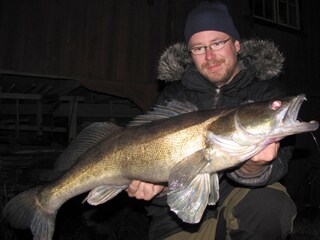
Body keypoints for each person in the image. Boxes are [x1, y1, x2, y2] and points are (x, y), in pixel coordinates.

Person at [127, 1, 297, 239]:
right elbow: (156, 173)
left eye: (217, 43)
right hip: (177, 219)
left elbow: (279, 165)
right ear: (190, 54)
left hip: (239, 198)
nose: (209, 56)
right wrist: (160, 186)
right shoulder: (172, 96)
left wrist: (255, 167)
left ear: (236, 45)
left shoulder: (265, 93)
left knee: (270, 205)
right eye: (198, 48)